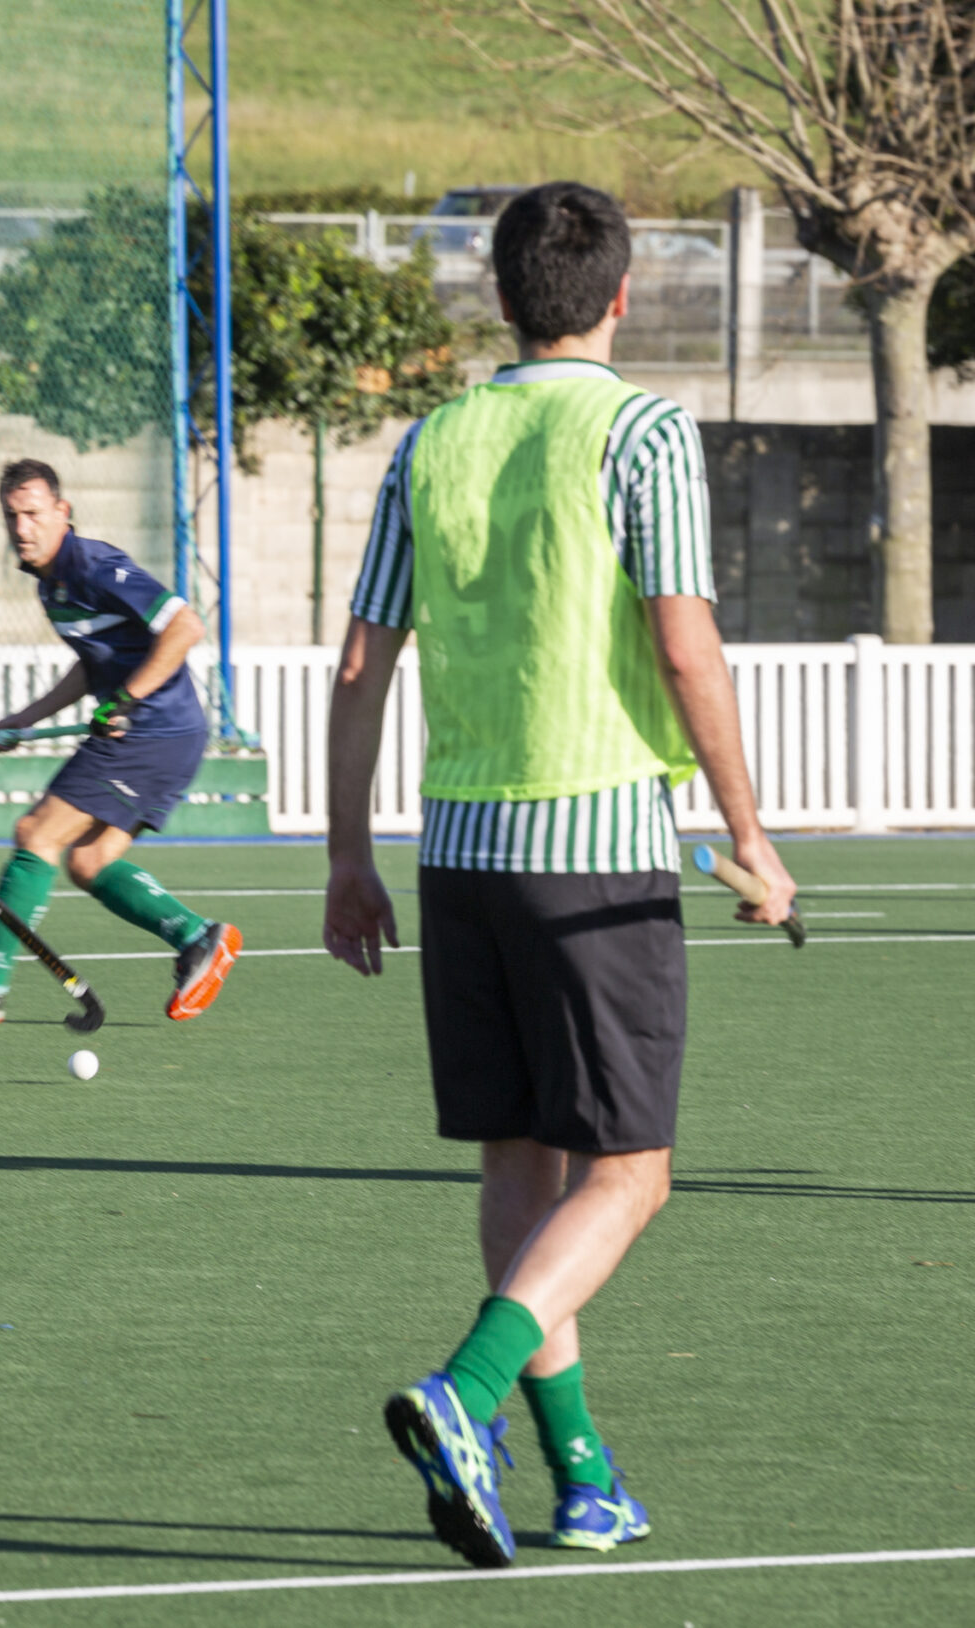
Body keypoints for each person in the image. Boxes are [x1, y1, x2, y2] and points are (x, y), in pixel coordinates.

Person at [320, 183, 796, 1568]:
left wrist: (347, 858)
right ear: (623, 295)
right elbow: (685, 643)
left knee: (519, 1164)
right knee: (629, 1173)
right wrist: (750, 833)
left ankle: (584, 1477)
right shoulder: (641, 429)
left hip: (460, 852)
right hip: (593, 848)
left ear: (501, 298)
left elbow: (360, 663)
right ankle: (465, 1394)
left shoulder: (434, 437)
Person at [0, 459, 239, 1024]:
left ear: (63, 512)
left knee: (37, 833)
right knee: (89, 861)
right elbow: (90, 666)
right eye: (12, 516)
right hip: (153, 732)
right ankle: (198, 937)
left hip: (152, 729)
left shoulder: (95, 566)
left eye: (33, 513)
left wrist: (126, 698)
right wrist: (24, 720)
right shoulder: (51, 584)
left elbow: (185, 627)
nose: (22, 528)